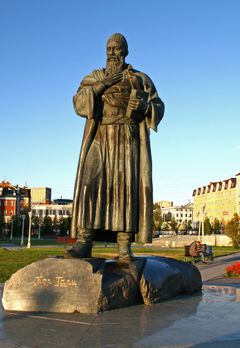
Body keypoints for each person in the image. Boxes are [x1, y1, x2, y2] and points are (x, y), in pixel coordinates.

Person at [66, 33, 165, 262]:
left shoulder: (140, 78)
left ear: (125, 52)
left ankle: (123, 246)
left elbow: (158, 105)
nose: (112, 52)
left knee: (125, 190)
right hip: (100, 135)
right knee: (90, 184)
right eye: (109, 48)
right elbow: (79, 102)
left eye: (117, 48)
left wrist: (146, 106)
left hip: (127, 137)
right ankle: (84, 240)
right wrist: (102, 86)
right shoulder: (95, 76)